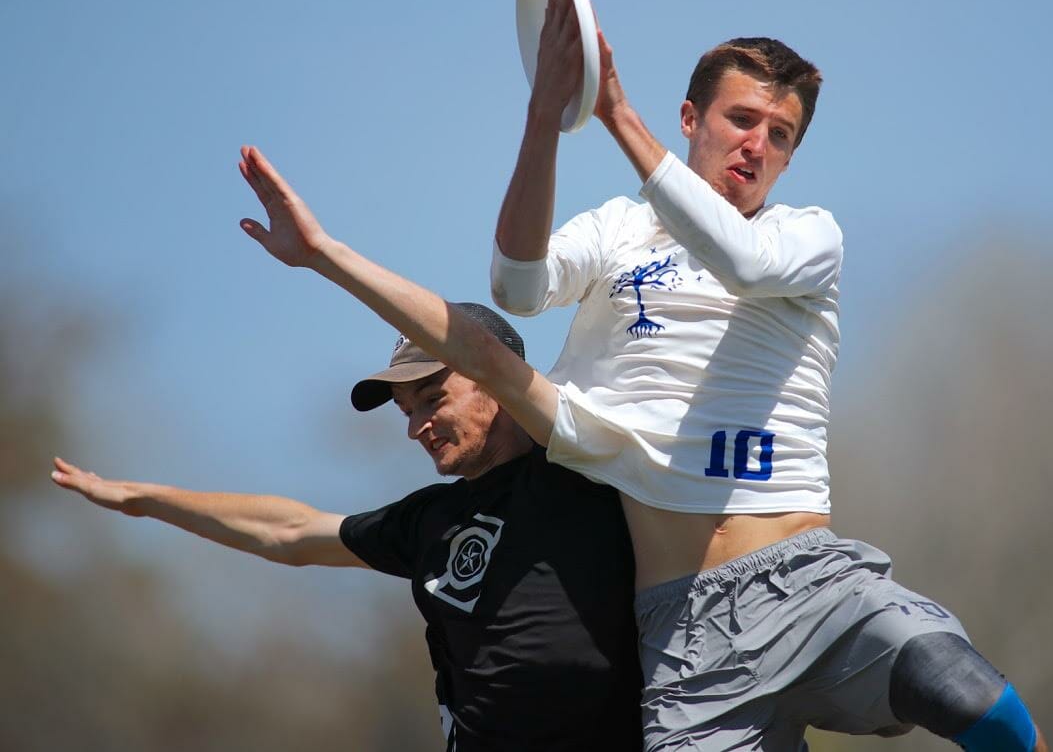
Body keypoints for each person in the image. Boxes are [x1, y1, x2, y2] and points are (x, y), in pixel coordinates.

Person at [484, 0, 1049, 751]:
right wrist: (544, 121)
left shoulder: (806, 237)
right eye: (741, 119)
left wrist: (617, 114)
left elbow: (742, 261)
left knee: (983, 707)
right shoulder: (617, 228)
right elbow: (515, 286)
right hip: (686, 632)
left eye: (779, 134)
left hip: (812, 585)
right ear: (691, 119)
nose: (757, 144)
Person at [51, 303, 643, 752]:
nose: (416, 428)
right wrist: (147, 499)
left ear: (499, 377)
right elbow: (290, 532)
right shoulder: (429, 521)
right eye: (406, 411)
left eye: (432, 399)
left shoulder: (585, 464)